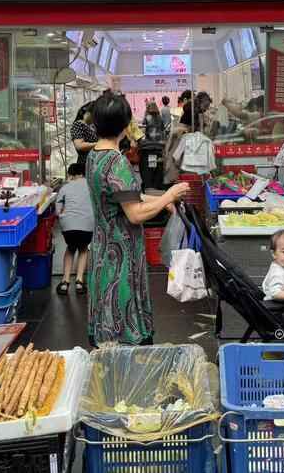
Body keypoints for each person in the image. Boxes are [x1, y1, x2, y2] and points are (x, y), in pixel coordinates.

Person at [85, 91, 189, 346]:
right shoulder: (116, 162)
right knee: (123, 305)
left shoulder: (94, 156)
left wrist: (160, 200)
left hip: (101, 245)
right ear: (125, 126)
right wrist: (169, 195)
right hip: (121, 250)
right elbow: (134, 214)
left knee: (105, 300)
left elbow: (126, 197)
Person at [55, 164, 94, 296]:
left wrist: (61, 216)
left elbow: (58, 206)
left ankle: (65, 282)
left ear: (71, 174)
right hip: (87, 225)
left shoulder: (65, 187)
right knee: (83, 249)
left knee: (71, 248)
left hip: (69, 226)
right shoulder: (91, 186)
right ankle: (79, 281)